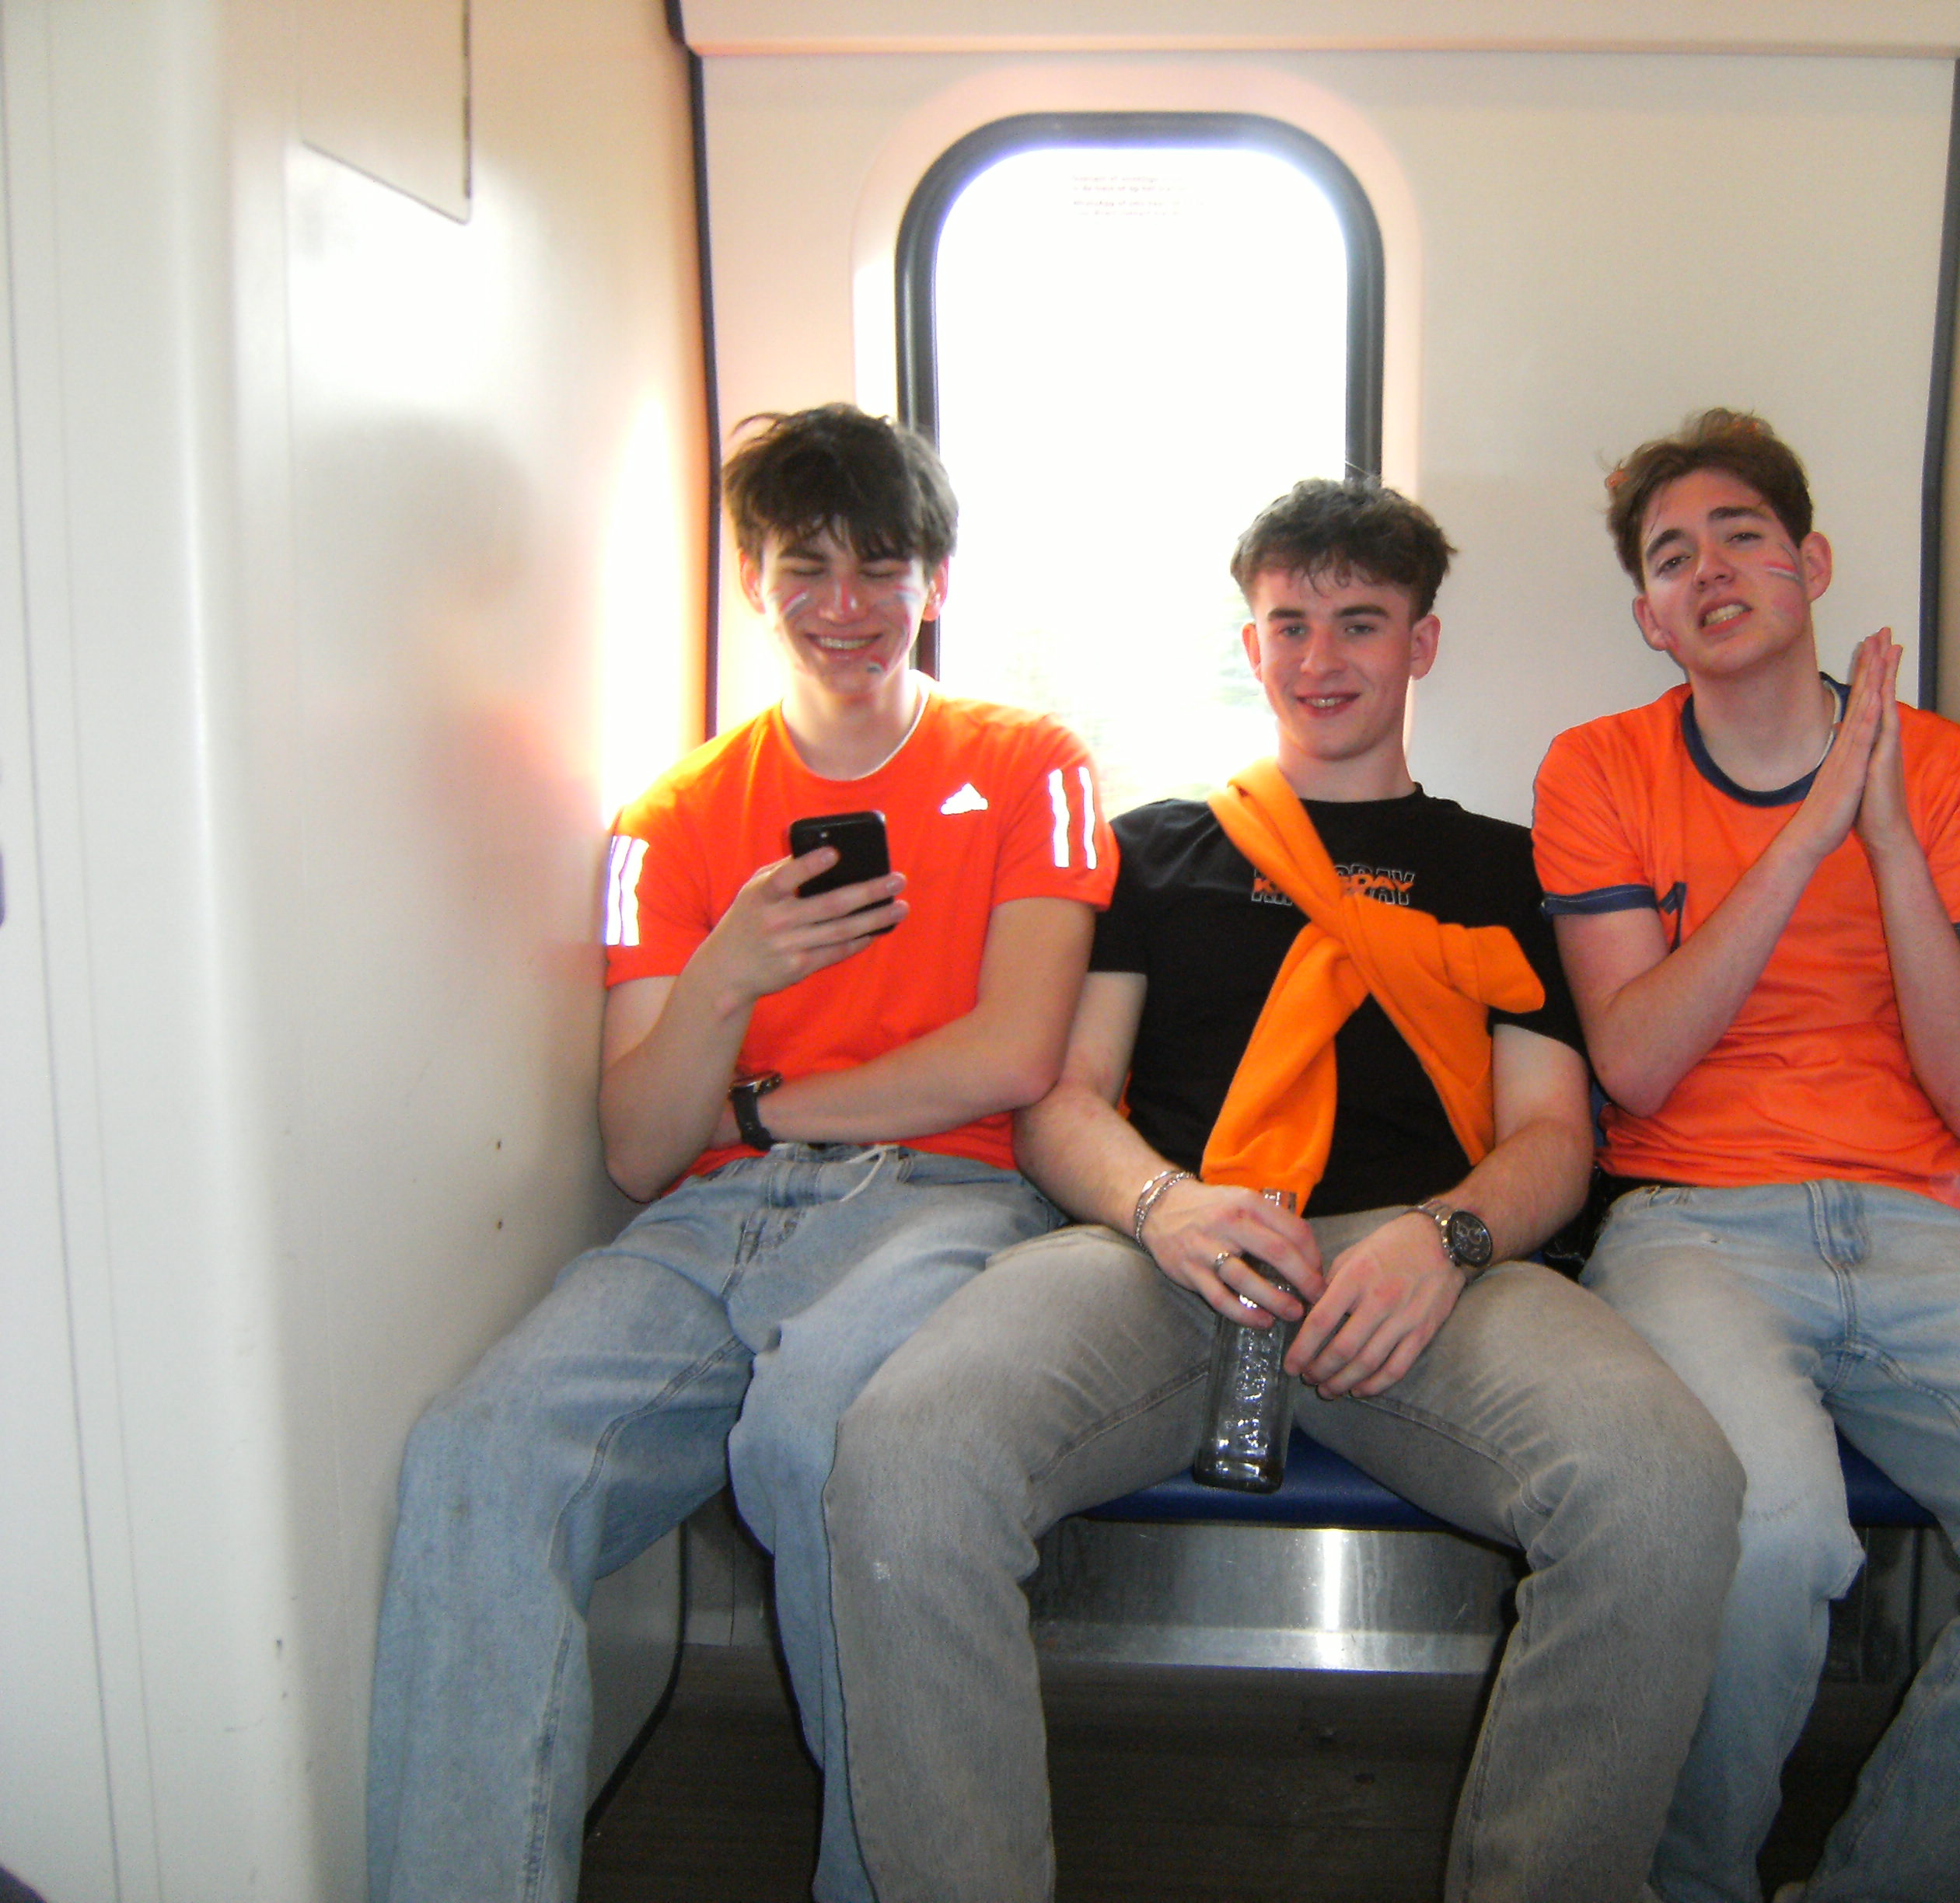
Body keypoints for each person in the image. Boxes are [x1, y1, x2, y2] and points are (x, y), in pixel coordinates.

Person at [823, 477, 1744, 1901]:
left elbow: (1553, 1137)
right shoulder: (1155, 850)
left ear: (1421, 645)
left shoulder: (1500, 869)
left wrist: (1447, 1238)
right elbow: (1065, 1102)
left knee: (1669, 1486)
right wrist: (1163, 1207)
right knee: (904, 1455)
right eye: (1291, 625)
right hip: (1168, 1246)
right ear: (1250, 647)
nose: (1323, 658)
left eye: (1361, 623)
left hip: (1419, 1267)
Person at [365, 404, 1113, 1903]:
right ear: (755, 583)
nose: (846, 605)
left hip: (946, 1198)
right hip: (708, 1227)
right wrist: (728, 970)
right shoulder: (675, 817)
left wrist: (761, 1106)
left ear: (936, 582)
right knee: (479, 1453)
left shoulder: (1033, 763)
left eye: (881, 566)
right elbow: (644, 1147)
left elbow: (1012, 1057)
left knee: (817, 1440)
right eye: (804, 567)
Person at [1532, 409, 1960, 1903]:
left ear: (1815, 563)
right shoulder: (1599, 768)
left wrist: (1889, 838)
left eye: (1744, 536)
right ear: (1651, 621)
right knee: (1766, 1534)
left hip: (1927, 1225)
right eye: (1672, 558)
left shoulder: (1952, 774)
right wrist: (1806, 834)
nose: (1711, 570)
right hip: (1694, 1222)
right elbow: (1633, 1065)